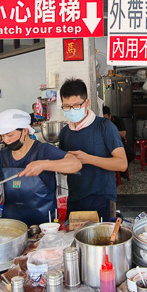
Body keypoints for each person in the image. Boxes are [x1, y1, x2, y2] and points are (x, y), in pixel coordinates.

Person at [0, 109, 81, 225]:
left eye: (10, 135)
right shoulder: (2, 156)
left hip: (44, 226)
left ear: (25, 131)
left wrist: (43, 164)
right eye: (2, 136)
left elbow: (75, 164)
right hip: (12, 225)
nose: (6, 140)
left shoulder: (43, 150)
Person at [57, 80, 127, 221]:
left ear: (87, 103)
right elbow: (64, 170)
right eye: (67, 106)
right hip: (75, 198)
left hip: (102, 197)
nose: (72, 110)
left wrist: (88, 159)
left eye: (77, 105)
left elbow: (122, 164)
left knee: (103, 240)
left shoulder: (104, 126)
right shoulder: (65, 132)